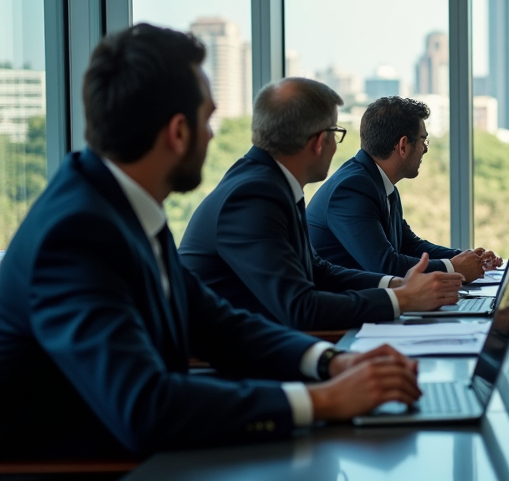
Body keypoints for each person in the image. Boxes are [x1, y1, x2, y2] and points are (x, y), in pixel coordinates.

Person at [0, 24, 423, 458]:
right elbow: (146, 408)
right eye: (208, 120)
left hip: (141, 469)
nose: (213, 136)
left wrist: (331, 363)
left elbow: (217, 325)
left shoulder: (120, 205)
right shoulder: (76, 234)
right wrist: (324, 399)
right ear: (178, 132)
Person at [180, 78, 462, 330]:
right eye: (335, 133)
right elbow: (300, 308)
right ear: (318, 142)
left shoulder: (268, 184)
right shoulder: (253, 196)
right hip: (232, 360)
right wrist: (401, 298)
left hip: (268, 338)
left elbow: (318, 270)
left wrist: (395, 285)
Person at [307, 96, 499, 281]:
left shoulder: (379, 183)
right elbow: (385, 266)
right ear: (403, 146)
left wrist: (470, 258)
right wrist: (454, 267)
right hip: (343, 309)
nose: (425, 149)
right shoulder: (351, 189)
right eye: (423, 140)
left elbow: (410, 246)